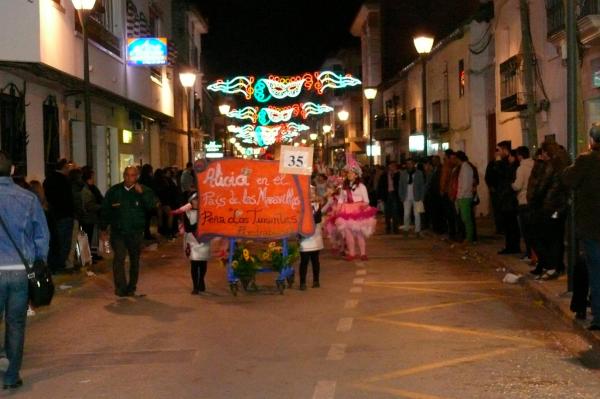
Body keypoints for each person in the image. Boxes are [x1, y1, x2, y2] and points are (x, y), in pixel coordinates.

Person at [0, 151, 50, 389]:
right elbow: (42, 235)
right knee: (16, 323)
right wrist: (39, 261)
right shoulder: (28, 198)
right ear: (12, 171)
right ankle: (11, 375)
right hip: (20, 270)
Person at [100, 166, 158, 297]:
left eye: (132, 175)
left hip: (135, 232)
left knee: (134, 260)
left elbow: (152, 206)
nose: (128, 178)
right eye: (126, 175)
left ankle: (131, 286)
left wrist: (142, 193)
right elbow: (105, 211)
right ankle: (121, 287)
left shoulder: (144, 190)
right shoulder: (114, 191)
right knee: (119, 258)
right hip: (118, 232)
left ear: (137, 177)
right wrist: (103, 228)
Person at [563, 125, 600, 329]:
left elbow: (567, 179)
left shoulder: (586, 161)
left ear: (592, 141)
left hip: (592, 227)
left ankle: (599, 316)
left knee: (595, 271)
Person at [528, 142, 570, 279]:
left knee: (539, 236)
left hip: (549, 206)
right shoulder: (565, 162)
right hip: (560, 207)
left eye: (543, 153)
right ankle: (556, 266)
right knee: (556, 238)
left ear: (547, 152)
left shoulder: (551, 165)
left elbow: (541, 186)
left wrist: (533, 201)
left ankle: (550, 265)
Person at [336, 160, 377, 261]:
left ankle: (363, 253)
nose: (349, 175)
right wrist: (338, 209)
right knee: (348, 234)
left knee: (359, 233)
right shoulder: (344, 187)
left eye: (351, 173)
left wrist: (363, 207)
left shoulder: (361, 186)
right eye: (348, 173)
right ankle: (352, 253)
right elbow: (341, 199)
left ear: (356, 175)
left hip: (358, 210)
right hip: (347, 210)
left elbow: (367, 200)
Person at [171, 193, 210, 294]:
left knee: (203, 263)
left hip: (203, 240)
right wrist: (200, 224)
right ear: (191, 201)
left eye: (198, 199)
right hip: (192, 240)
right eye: (195, 200)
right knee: (194, 263)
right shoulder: (187, 212)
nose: (197, 201)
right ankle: (195, 286)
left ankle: (201, 280)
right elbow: (188, 228)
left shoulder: (206, 212)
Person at [43, 159, 75, 273]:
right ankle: (60, 265)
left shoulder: (48, 179)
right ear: (64, 168)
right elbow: (68, 199)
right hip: (65, 215)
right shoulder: (64, 181)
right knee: (64, 241)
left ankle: (53, 265)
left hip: (52, 215)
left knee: (54, 241)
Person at [496, 141, 521, 254]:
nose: (498, 153)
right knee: (509, 225)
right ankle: (510, 246)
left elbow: (509, 181)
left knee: (511, 225)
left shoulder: (512, 166)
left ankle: (513, 247)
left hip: (509, 199)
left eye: (499, 150)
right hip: (506, 198)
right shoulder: (506, 164)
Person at [512, 146, 534, 261]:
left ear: (520, 156)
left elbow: (517, 185)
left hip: (523, 200)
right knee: (532, 229)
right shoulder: (534, 165)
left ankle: (529, 253)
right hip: (533, 200)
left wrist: (512, 185)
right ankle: (533, 254)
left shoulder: (521, 168)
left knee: (525, 230)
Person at [298, 192, 324, 290]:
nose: (311, 195)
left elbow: (318, 219)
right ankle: (302, 282)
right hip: (304, 236)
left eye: (313, 193)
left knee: (315, 260)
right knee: (304, 260)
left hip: (315, 236)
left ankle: (316, 280)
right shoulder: (300, 205)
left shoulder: (317, 205)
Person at [80, 168, 103, 261]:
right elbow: (89, 205)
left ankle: (93, 255)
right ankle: (90, 256)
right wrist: (100, 207)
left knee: (92, 237)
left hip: (92, 217)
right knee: (89, 238)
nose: (94, 178)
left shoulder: (91, 188)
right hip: (89, 218)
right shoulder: (87, 190)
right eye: (93, 176)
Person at [398, 159, 425, 237]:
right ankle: (406, 229)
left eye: (410, 163)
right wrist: (401, 195)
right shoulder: (403, 173)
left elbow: (422, 186)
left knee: (417, 214)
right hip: (406, 196)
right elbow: (400, 185)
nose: (409, 165)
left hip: (416, 196)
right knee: (406, 214)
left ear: (413, 164)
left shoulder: (419, 173)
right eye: (407, 164)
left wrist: (422, 197)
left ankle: (417, 230)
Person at [455, 151, 475, 243]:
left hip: (465, 197)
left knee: (466, 219)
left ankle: (469, 237)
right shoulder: (464, 167)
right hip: (464, 196)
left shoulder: (466, 168)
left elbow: (466, 184)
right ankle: (468, 236)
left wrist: (460, 196)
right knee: (465, 218)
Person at [377, 161, 400, 234]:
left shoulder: (398, 175)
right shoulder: (384, 176)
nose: (392, 168)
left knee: (395, 212)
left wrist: (395, 175)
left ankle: (395, 228)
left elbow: (400, 185)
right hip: (386, 195)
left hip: (394, 194)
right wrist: (380, 197)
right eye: (390, 166)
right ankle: (388, 227)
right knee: (387, 212)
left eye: (393, 166)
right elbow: (380, 186)